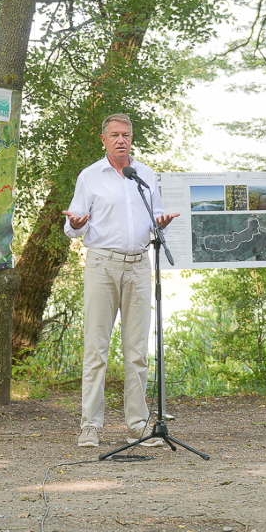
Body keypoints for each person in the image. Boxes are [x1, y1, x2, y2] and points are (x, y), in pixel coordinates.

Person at [62, 114, 179, 448]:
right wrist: (77, 223)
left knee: (137, 351)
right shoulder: (89, 177)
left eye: (126, 135)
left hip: (140, 265)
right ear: (103, 139)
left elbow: (155, 217)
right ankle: (90, 426)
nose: (120, 140)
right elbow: (73, 228)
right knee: (96, 349)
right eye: (114, 135)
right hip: (102, 265)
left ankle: (137, 426)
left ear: (132, 138)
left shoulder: (144, 174)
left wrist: (163, 221)